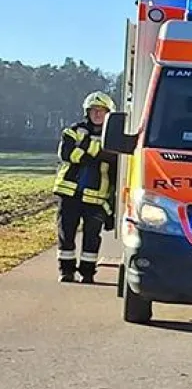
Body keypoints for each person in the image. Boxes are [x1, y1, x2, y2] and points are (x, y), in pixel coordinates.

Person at [53, 91, 119, 284]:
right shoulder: (73, 130)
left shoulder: (114, 136)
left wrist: (85, 148)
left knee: (92, 238)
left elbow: (115, 160)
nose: (97, 114)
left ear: (109, 113)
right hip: (69, 192)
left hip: (97, 197)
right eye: (93, 111)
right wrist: (98, 152)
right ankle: (66, 271)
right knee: (66, 234)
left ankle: (88, 273)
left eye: (101, 111)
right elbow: (67, 154)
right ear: (87, 112)